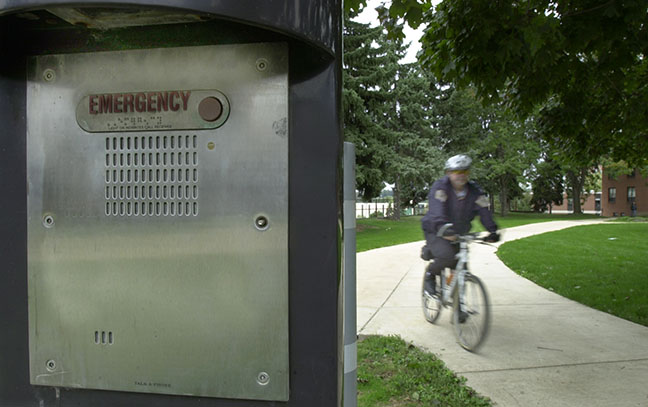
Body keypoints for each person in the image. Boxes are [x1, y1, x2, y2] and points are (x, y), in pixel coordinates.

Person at [421, 154, 500, 295]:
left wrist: (492, 230)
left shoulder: (475, 191)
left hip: (459, 232)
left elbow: (484, 210)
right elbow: (437, 209)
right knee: (447, 256)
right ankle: (430, 275)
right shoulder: (441, 188)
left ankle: (457, 301)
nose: (461, 175)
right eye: (457, 172)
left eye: (465, 171)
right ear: (449, 173)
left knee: (460, 263)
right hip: (436, 229)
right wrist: (443, 228)